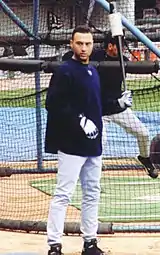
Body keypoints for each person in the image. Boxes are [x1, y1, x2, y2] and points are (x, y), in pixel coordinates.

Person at [45, 25, 105, 255]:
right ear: (71, 43)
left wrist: (118, 103)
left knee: (92, 193)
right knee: (63, 194)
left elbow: (96, 104)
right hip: (71, 145)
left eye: (88, 43)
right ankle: (54, 245)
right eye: (79, 43)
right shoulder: (65, 71)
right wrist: (80, 120)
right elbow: (53, 103)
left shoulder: (92, 71)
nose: (84, 48)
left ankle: (90, 242)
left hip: (93, 144)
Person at [91, 32, 158, 179]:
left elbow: (138, 68)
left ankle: (144, 158)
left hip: (118, 109)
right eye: (120, 45)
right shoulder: (95, 58)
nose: (123, 49)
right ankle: (94, 178)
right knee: (99, 144)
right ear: (110, 46)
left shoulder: (124, 61)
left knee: (144, 134)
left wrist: (156, 66)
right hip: (99, 111)